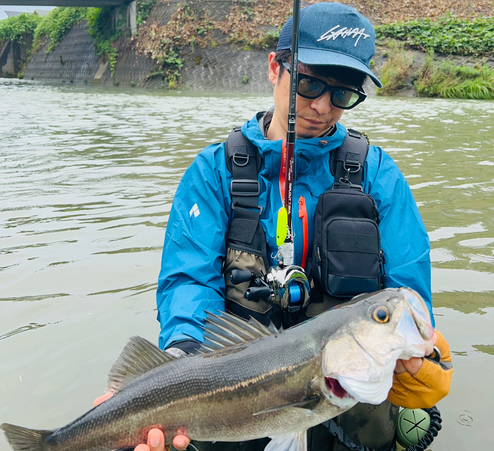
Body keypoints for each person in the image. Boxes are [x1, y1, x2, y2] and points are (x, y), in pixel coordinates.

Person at [95, 3, 452, 450]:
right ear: (273, 67)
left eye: (342, 94)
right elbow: (188, 279)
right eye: (309, 83)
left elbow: (407, 290)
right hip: (232, 392)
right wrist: (177, 364)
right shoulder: (214, 172)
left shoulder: (379, 177)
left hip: (349, 388)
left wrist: (421, 358)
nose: (322, 106)